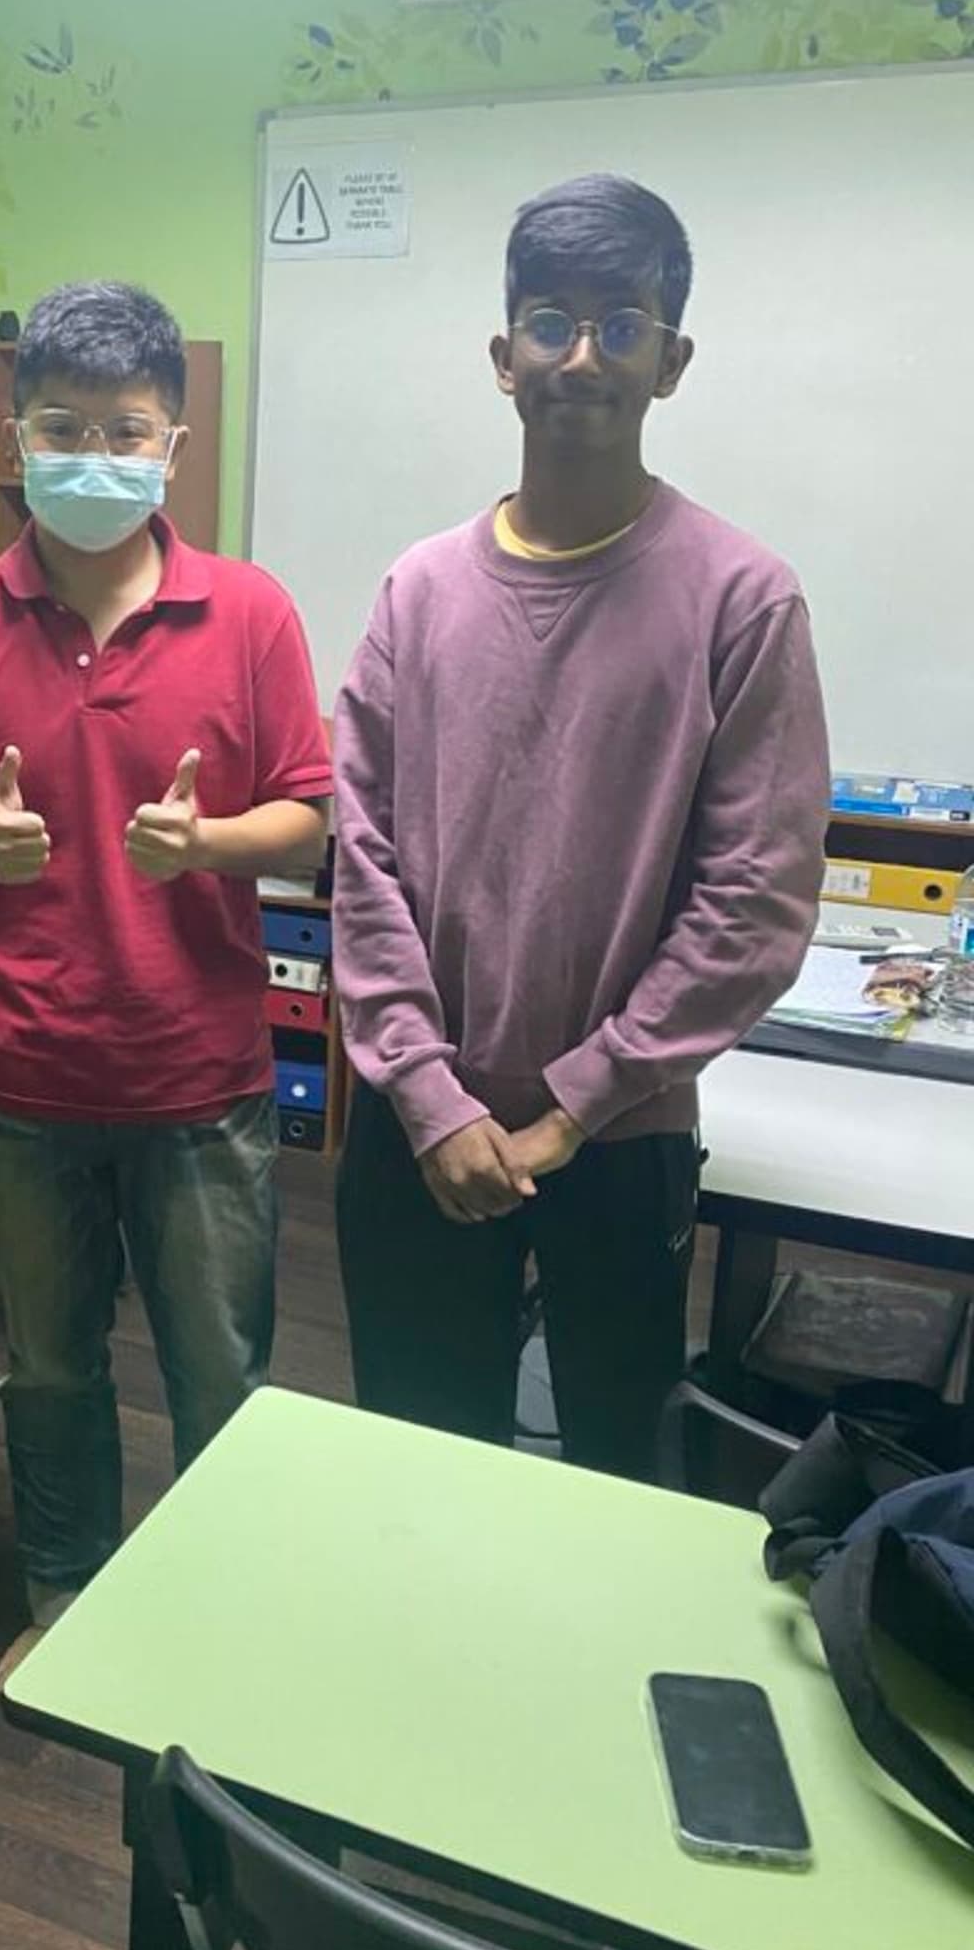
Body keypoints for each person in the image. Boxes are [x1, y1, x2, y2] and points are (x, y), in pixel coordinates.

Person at [332, 173, 829, 1482]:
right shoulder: (418, 591)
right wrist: (430, 1095)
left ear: (672, 360)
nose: (584, 356)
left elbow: (757, 899)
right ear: (505, 357)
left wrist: (574, 1104)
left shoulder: (742, 600)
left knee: (613, 1473)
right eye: (551, 321)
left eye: (622, 323)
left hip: (619, 1139)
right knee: (417, 1463)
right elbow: (362, 857)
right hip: (416, 1124)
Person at [0, 282, 331, 1680]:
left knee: (221, 1371)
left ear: (172, 445)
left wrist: (207, 845)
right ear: (17, 439)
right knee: (53, 1365)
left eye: (126, 431)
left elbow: (308, 823)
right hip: (19, 1077)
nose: (96, 456)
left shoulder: (249, 613)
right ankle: (66, 1593)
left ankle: (221, 1607)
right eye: (65, 428)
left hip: (200, 1077)